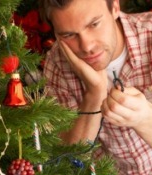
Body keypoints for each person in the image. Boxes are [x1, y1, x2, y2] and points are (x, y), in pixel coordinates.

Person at [39, 0, 152, 174]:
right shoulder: (57, 65)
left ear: (114, 8)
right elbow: (66, 163)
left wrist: (144, 120)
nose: (87, 46)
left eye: (94, 24)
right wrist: (94, 94)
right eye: (69, 35)